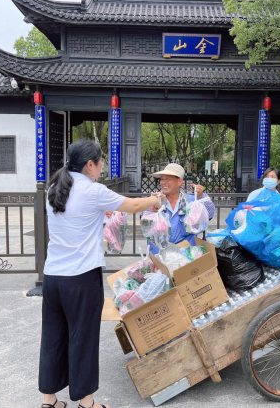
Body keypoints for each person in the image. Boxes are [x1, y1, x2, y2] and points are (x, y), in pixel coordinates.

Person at [39, 140, 162, 408]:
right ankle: (87, 403)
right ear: (89, 164)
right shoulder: (93, 190)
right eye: (100, 162)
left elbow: (77, 215)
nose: (101, 167)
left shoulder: (54, 187)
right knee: (82, 337)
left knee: (53, 336)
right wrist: (156, 199)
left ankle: (49, 401)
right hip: (80, 279)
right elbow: (132, 205)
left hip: (52, 278)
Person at [148, 163, 215, 254]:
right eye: (162, 179)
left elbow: (209, 214)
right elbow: (145, 222)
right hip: (159, 256)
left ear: (179, 181)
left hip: (185, 255)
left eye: (168, 179)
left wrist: (201, 197)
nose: (163, 182)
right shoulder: (156, 199)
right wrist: (152, 207)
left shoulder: (191, 202)